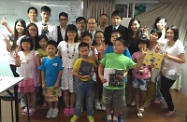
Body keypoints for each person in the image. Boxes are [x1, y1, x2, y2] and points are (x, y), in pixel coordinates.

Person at [98, 37, 146, 122]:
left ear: (125, 47)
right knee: (107, 102)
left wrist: (142, 58)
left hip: (120, 87)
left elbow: (137, 67)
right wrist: (101, 76)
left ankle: (116, 117)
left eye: (119, 45)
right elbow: (101, 66)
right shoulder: (108, 56)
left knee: (118, 104)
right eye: (115, 45)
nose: (116, 46)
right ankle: (109, 116)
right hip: (107, 85)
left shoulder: (127, 59)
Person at [160, 25, 185, 117]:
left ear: (175, 34)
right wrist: (163, 67)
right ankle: (170, 107)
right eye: (167, 32)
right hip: (166, 68)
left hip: (175, 70)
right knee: (164, 89)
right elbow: (163, 55)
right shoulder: (166, 42)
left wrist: (169, 57)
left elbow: (183, 60)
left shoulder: (178, 44)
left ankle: (171, 109)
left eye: (171, 33)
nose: (169, 34)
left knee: (163, 89)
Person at [70, 42, 97, 122]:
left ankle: (90, 114)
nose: (84, 53)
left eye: (86, 50)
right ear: (79, 51)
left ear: (89, 50)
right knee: (79, 99)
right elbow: (73, 72)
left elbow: (95, 67)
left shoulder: (91, 60)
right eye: (82, 51)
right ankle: (76, 114)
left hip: (90, 82)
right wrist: (81, 76)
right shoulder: (78, 61)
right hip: (80, 82)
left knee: (89, 99)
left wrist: (92, 72)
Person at [57, 24, 80, 116]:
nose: (71, 33)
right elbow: (57, 56)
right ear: (66, 33)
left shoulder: (78, 44)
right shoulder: (61, 44)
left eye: (73, 32)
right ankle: (67, 107)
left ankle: (72, 107)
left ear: (76, 33)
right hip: (64, 69)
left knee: (74, 91)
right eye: (69, 31)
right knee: (65, 90)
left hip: (75, 70)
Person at [15, 36, 40, 116]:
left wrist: (38, 77)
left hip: (31, 77)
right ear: (21, 44)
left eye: (27, 43)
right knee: (25, 93)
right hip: (22, 77)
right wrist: (17, 59)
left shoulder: (34, 53)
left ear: (31, 44)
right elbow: (17, 65)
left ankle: (33, 107)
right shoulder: (19, 53)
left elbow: (38, 67)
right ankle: (27, 106)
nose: (25, 45)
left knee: (32, 92)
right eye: (23, 43)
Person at [39, 41, 63, 118]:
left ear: (56, 49)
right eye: (49, 48)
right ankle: (50, 109)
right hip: (47, 83)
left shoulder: (58, 60)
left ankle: (55, 109)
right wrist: (43, 82)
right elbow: (42, 71)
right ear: (46, 50)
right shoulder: (44, 60)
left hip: (55, 83)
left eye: (52, 48)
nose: (50, 50)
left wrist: (57, 82)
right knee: (48, 97)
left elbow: (60, 72)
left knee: (55, 97)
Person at [132, 35, 151, 118]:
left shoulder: (150, 53)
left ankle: (141, 105)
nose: (141, 45)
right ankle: (137, 108)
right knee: (136, 92)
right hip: (135, 76)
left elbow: (152, 65)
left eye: (143, 43)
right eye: (140, 43)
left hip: (145, 77)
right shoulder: (135, 54)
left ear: (147, 44)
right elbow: (131, 65)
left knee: (143, 93)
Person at [144, 29, 163, 108]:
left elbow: (159, 58)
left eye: (156, 35)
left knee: (151, 82)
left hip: (154, 66)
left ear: (158, 37)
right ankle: (145, 98)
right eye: (152, 34)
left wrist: (156, 53)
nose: (153, 36)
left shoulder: (159, 45)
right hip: (145, 65)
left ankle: (148, 100)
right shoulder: (146, 42)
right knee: (144, 82)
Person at [126, 18, 143, 107]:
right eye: (132, 25)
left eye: (135, 24)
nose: (134, 26)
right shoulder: (127, 36)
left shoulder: (141, 36)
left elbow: (143, 50)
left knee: (135, 81)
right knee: (129, 81)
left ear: (139, 25)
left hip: (137, 62)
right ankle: (130, 97)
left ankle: (135, 100)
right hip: (128, 61)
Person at [93, 31, 106, 111]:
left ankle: (104, 101)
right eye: (97, 37)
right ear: (94, 38)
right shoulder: (93, 47)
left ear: (103, 38)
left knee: (104, 86)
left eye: (100, 37)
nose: (99, 38)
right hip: (95, 69)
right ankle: (96, 100)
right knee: (97, 86)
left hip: (105, 69)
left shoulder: (106, 47)